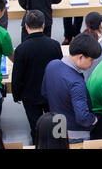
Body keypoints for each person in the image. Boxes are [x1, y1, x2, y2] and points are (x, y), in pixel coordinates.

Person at [11, 10, 63, 143]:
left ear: (26, 26)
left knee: (36, 127)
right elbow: (60, 68)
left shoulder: (21, 49)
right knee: (56, 126)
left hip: (30, 95)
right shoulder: (55, 45)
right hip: (51, 92)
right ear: (43, 25)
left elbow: (17, 75)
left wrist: (16, 94)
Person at [42, 33, 101, 144]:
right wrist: (94, 119)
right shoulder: (77, 83)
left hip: (56, 127)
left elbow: (44, 93)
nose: (92, 63)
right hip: (76, 135)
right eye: (91, 60)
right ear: (80, 57)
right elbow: (83, 118)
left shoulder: (52, 65)